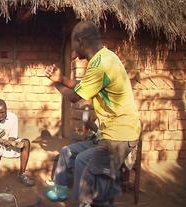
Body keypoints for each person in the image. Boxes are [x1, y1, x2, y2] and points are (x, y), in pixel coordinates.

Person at [45, 21, 141, 206]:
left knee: (90, 173)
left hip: (119, 138)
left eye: (73, 43)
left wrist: (55, 84)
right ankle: (67, 193)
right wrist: (61, 78)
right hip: (109, 135)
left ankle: (89, 202)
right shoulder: (103, 57)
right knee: (71, 154)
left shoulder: (100, 64)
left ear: (80, 41)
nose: (72, 48)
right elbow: (82, 86)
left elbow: (75, 97)